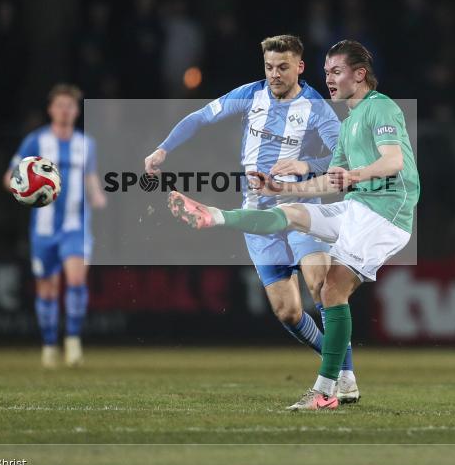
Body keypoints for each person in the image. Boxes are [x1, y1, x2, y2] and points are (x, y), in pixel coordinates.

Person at [167, 40, 419, 410]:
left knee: (330, 289)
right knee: (292, 212)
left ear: (359, 74)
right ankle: (215, 216)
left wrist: (355, 174)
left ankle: (325, 391)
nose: (329, 79)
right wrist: (284, 187)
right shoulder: (349, 123)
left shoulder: (380, 108)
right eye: (328, 72)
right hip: (358, 205)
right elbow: (329, 182)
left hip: (385, 213)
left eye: (337, 72)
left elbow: (393, 161)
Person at [144, 35, 363, 403]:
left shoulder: (316, 108)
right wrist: (164, 148)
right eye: (269, 67)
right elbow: (200, 118)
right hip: (257, 215)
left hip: (299, 211)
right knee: (288, 312)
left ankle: (343, 377)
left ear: (300, 67)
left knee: (319, 283)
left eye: (282, 67)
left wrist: (307, 165)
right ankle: (340, 370)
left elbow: (344, 158)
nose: (274, 74)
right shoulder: (250, 94)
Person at [4, 85, 107, 368]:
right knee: (47, 288)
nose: (65, 110)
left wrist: (97, 194)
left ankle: (73, 341)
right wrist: (23, 189)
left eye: (70, 106)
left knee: (75, 280)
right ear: (50, 109)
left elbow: (91, 177)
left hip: (76, 225)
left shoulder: (86, 144)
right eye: (60, 105)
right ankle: (49, 345)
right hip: (44, 229)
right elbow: (8, 177)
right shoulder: (35, 142)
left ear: (76, 111)